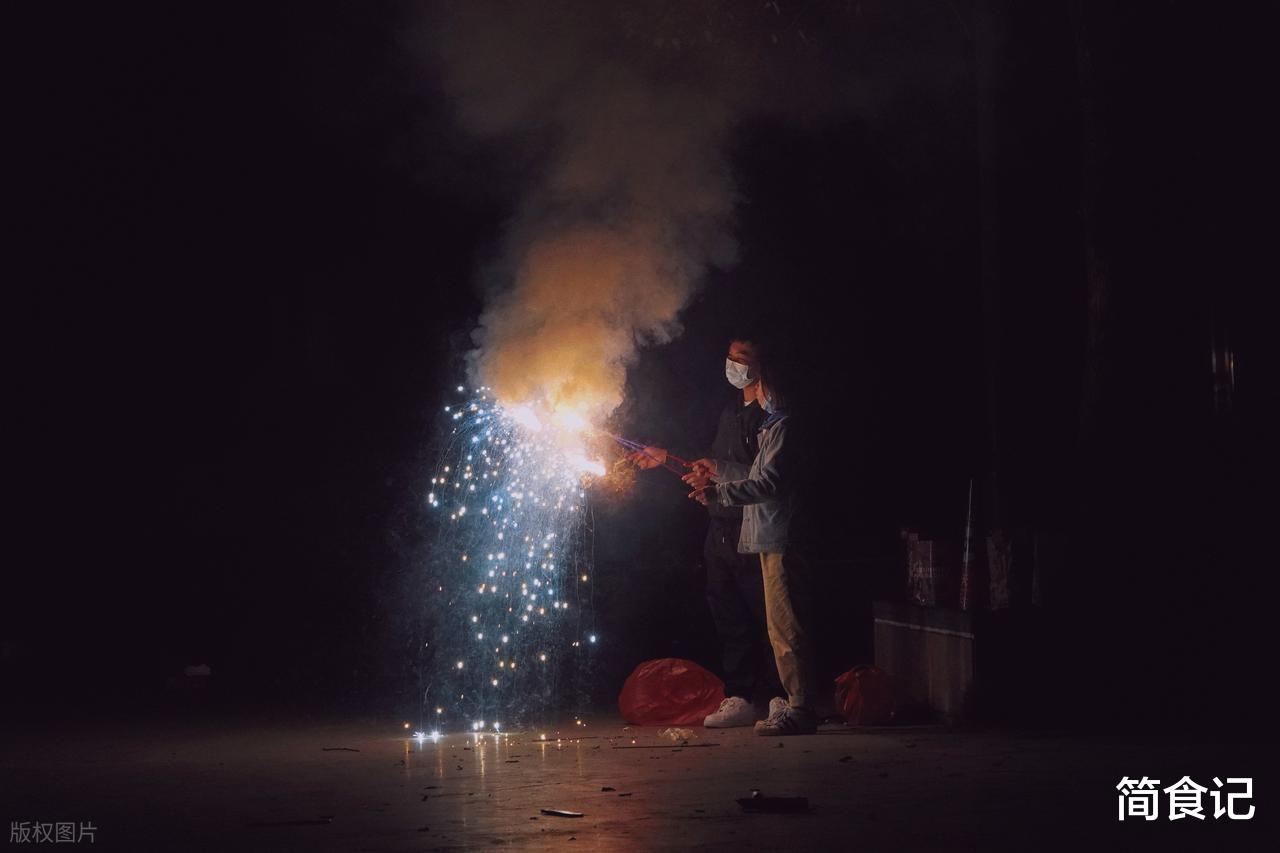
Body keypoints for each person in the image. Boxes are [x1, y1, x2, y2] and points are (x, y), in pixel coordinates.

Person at [630, 336, 783, 728]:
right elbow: (711, 463)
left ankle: (780, 697)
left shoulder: (771, 417)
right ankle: (740, 697)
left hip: (753, 529)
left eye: (742, 357)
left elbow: (762, 479)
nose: (733, 364)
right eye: (730, 356)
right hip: (720, 529)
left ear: (762, 364)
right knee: (729, 616)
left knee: (769, 619)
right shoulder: (730, 409)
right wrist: (670, 459)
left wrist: (716, 476)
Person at [686, 357, 816, 735]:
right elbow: (755, 475)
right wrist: (718, 473)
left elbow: (768, 484)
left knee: (785, 629)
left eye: (761, 384)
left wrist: (719, 494)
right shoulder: (772, 428)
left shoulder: (784, 428)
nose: (755, 390)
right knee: (779, 628)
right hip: (768, 536)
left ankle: (799, 708)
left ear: (774, 386)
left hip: (780, 538)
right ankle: (795, 703)